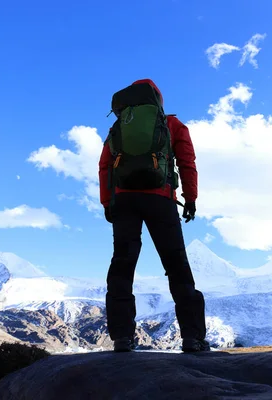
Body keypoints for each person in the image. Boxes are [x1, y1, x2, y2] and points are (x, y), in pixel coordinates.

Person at [98, 78, 209, 353]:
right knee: (176, 264)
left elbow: (104, 166)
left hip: (124, 200)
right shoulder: (172, 125)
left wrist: (107, 203)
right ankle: (192, 337)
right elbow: (186, 161)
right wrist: (191, 199)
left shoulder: (118, 127)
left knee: (122, 265)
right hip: (160, 199)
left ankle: (122, 338)